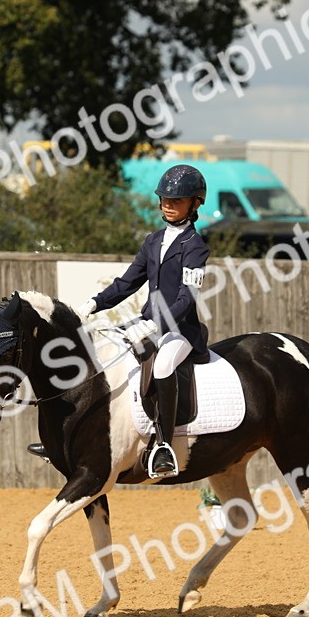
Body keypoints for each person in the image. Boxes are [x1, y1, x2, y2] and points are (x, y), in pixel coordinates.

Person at [75, 163, 210, 478]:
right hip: (147, 321)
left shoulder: (196, 247)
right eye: (165, 199)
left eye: (177, 200)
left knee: (162, 367)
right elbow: (127, 283)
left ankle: (164, 446)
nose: (168, 205)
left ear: (195, 204)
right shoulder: (152, 241)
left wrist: (155, 325)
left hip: (181, 330)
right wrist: (93, 304)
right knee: (104, 352)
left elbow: (186, 299)